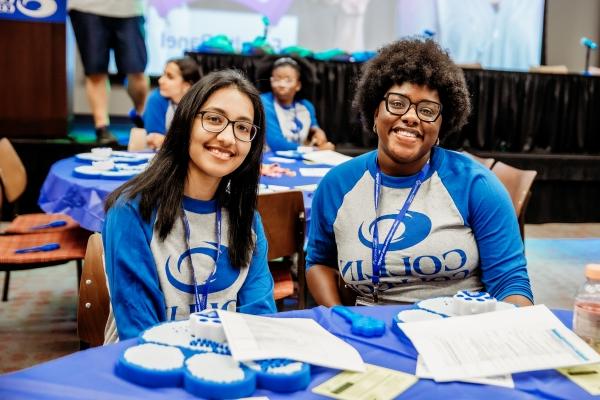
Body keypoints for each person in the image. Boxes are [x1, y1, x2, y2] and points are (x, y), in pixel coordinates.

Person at [305, 39, 533, 308]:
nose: (411, 117)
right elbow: (319, 262)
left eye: (427, 110)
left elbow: (510, 282)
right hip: (370, 334)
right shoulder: (337, 185)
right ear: (375, 112)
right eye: (398, 103)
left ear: (441, 125)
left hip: (455, 332)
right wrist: (341, 317)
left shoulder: (476, 185)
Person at [103, 70, 276, 341]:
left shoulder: (247, 219)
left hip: (229, 369)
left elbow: (260, 322)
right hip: (149, 369)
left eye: (242, 127)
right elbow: (139, 331)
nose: (228, 138)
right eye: (214, 119)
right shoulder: (132, 213)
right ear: (186, 122)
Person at [68, 0, 149, 144]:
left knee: (137, 70)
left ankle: (140, 115)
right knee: (95, 72)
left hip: (130, 9)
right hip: (87, 7)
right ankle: (102, 127)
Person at [261, 57, 334, 151]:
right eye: (277, 79)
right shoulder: (263, 102)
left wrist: (317, 131)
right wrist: (315, 150)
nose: (282, 85)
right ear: (271, 81)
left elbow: (313, 125)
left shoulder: (307, 106)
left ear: (298, 85)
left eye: (288, 80)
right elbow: (276, 143)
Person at [143, 57, 201, 150]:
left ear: (187, 85)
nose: (160, 80)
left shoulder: (201, 105)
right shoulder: (156, 100)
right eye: (163, 74)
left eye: (170, 77)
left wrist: (165, 141)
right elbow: (154, 141)